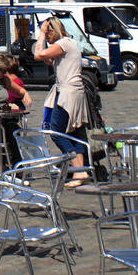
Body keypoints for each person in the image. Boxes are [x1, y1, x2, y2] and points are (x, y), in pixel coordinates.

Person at [34, 16, 93, 186]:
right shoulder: (68, 44)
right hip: (70, 91)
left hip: (68, 93)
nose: (48, 37)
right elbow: (50, 60)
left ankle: (79, 171)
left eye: (49, 33)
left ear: (53, 30)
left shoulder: (64, 43)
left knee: (57, 132)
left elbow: (39, 54)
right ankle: (79, 172)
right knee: (73, 132)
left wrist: (41, 35)